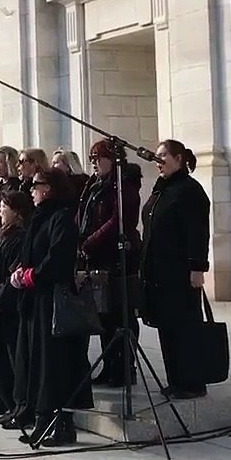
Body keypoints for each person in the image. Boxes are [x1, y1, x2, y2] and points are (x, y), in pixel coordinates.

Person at [9, 167, 93, 445]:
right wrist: (19, 272)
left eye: (36, 185)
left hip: (54, 300)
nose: (31, 190)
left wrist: (32, 275)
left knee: (55, 365)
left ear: (49, 188)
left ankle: (63, 425)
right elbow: (29, 253)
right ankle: (41, 420)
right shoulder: (38, 218)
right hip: (35, 300)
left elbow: (57, 258)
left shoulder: (62, 217)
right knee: (37, 363)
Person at [141, 139, 212, 400]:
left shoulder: (189, 190)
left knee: (185, 328)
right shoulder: (162, 190)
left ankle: (192, 382)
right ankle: (175, 379)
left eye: (163, 156)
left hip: (180, 272)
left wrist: (198, 268)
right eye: (157, 156)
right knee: (167, 327)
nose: (158, 161)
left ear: (179, 158)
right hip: (159, 274)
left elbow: (198, 233)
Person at [78, 138, 144, 387]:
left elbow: (119, 220)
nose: (94, 162)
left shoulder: (124, 185)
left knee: (121, 315)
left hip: (118, 258)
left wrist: (90, 241)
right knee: (104, 315)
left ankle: (125, 367)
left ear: (113, 159)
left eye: (98, 157)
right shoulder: (95, 185)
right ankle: (109, 365)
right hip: (99, 258)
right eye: (91, 158)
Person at [0, 191, 30, 422]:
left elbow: (13, 275)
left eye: (4, 207)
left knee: (16, 360)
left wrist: (0, 298)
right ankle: (10, 404)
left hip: (10, 309)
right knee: (3, 358)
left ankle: (21, 407)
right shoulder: (3, 236)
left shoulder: (19, 239)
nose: (0, 211)